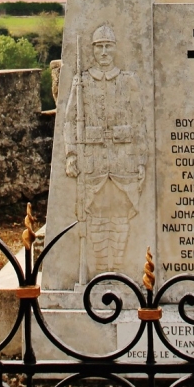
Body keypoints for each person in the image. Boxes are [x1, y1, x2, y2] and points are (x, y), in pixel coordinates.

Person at [64, 24, 147, 274]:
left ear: (115, 49)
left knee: (120, 217)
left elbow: (139, 120)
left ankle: (118, 269)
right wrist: (71, 155)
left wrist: (141, 160)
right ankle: (100, 270)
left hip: (124, 160)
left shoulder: (128, 80)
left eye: (108, 46)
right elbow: (70, 119)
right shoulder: (82, 81)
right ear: (92, 49)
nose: (103, 52)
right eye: (98, 47)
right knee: (97, 218)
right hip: (93, 161)